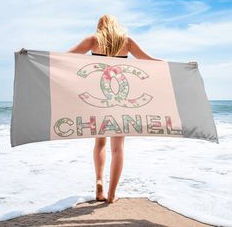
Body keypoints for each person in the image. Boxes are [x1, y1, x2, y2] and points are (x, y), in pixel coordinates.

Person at [67, 14, 197, 204]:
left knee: (100, 143)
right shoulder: (127, 42)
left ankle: (99, 181)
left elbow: (63, 58)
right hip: (121, 100)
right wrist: (181, 68)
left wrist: (31, 57)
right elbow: (150, 60)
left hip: (98, 99)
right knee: (118, 148)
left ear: (100, 26)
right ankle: (111, 195)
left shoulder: (93, 40)